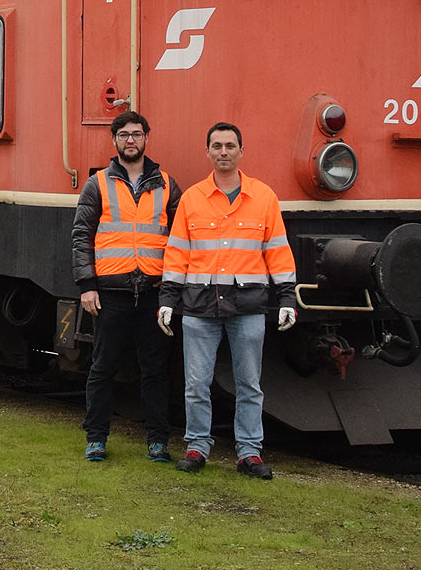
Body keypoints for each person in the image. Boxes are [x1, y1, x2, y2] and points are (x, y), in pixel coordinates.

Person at [158, 122, 297, 479]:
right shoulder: (191, 199)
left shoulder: (264, 197)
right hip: (200, 306)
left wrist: (287, 298)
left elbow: (277, 251)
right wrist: (168, 300)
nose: (223, 151)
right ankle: (196, 446)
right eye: (217, 145)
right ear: (207, 152)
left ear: (241, 151)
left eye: (230, 145)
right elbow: (177, 254)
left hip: (246, 307)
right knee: (195, 384)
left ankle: (250, 452)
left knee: (249, 384)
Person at [72, 111, 181, 463]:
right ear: (115, 140)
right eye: (123, 135)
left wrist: (173, 287)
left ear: (147, 138)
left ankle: (158, 441)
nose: (130, 140)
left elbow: (180, 238)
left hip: (153, 291)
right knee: (102, 367)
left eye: (136, 134)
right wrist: (87, 285)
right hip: (110, 293)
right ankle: (96, 439)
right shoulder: (98, 184)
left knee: (155, 370)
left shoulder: (167, 185)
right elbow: (81, 237)